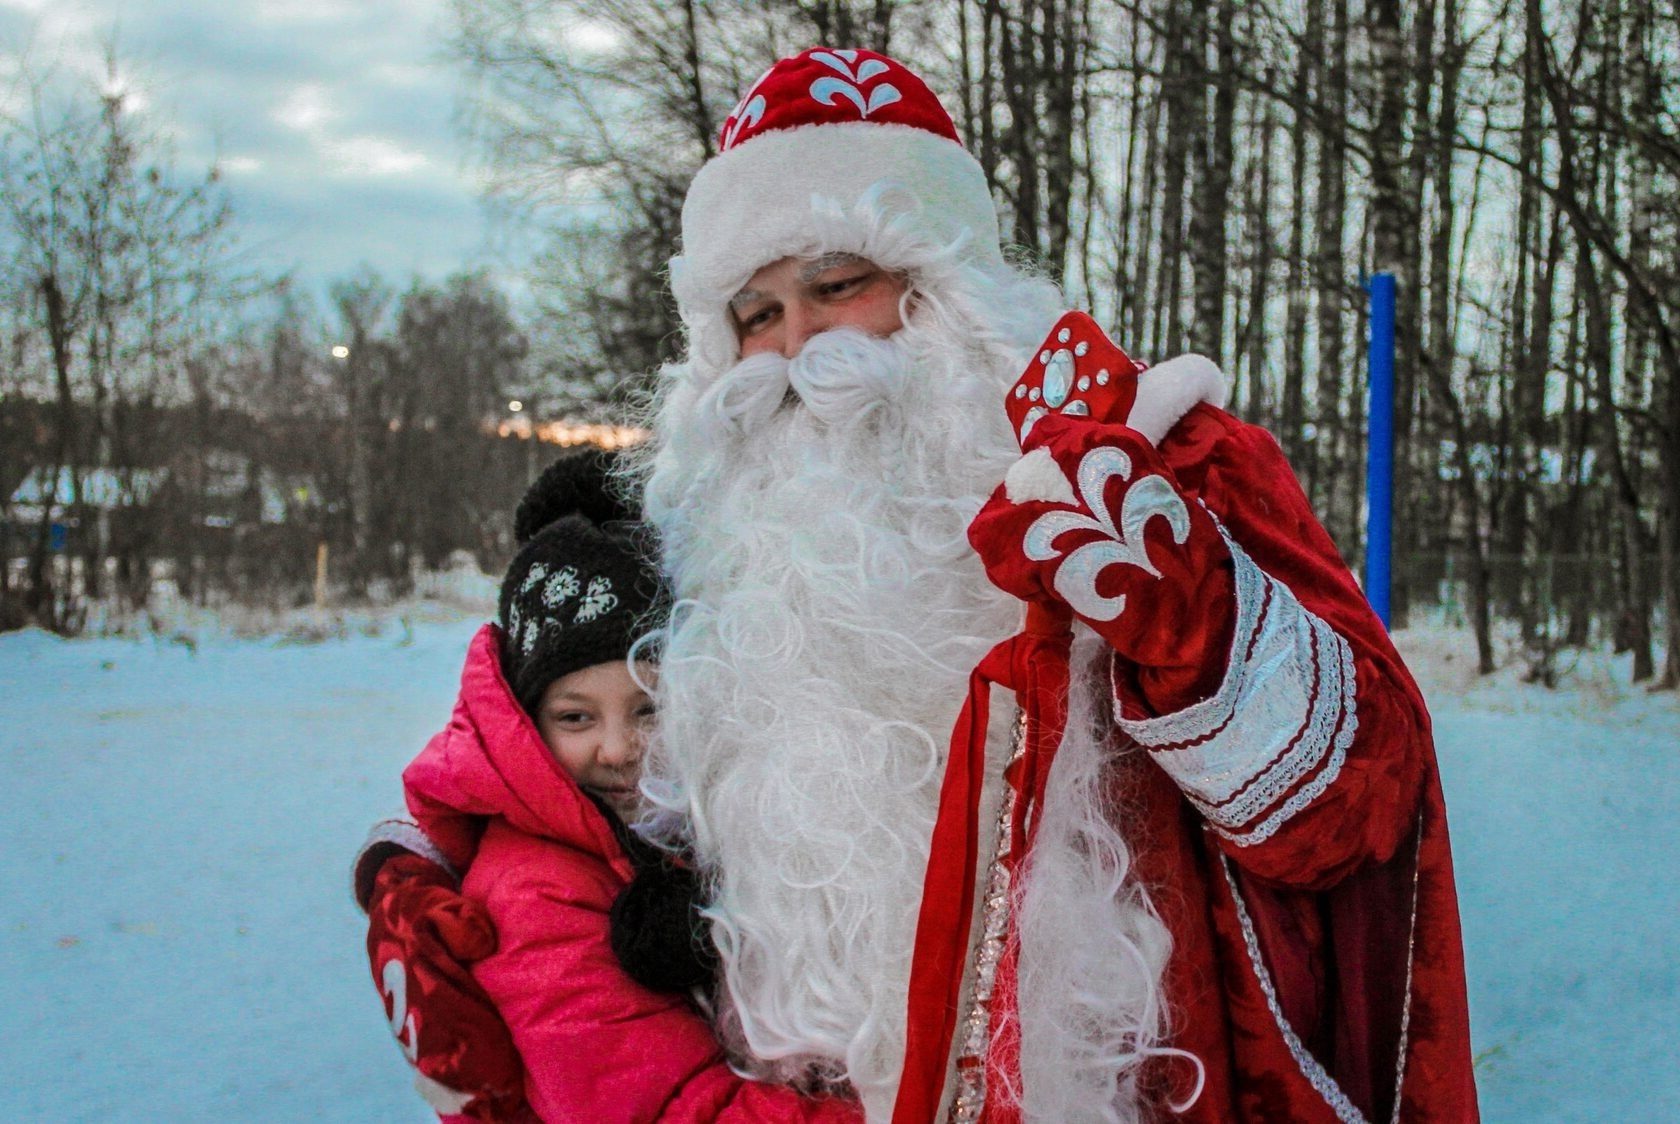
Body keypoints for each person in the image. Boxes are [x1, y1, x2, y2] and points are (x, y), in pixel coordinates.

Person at [360, 47, 1478, 1123]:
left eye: (835, 284)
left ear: (944, 289)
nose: (796, 348)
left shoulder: (1157, 472)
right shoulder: (691, 541)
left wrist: (1196, 620)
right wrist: (430, 870)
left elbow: (1360, 810)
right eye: (755, 314)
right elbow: (542, 733)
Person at [357, 448, 861, 1122]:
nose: (619, 748)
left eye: (650, 707)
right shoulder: (533, 892)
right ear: (524, 721)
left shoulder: (694, 819)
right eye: (576, 717)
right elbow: (666, 1110)